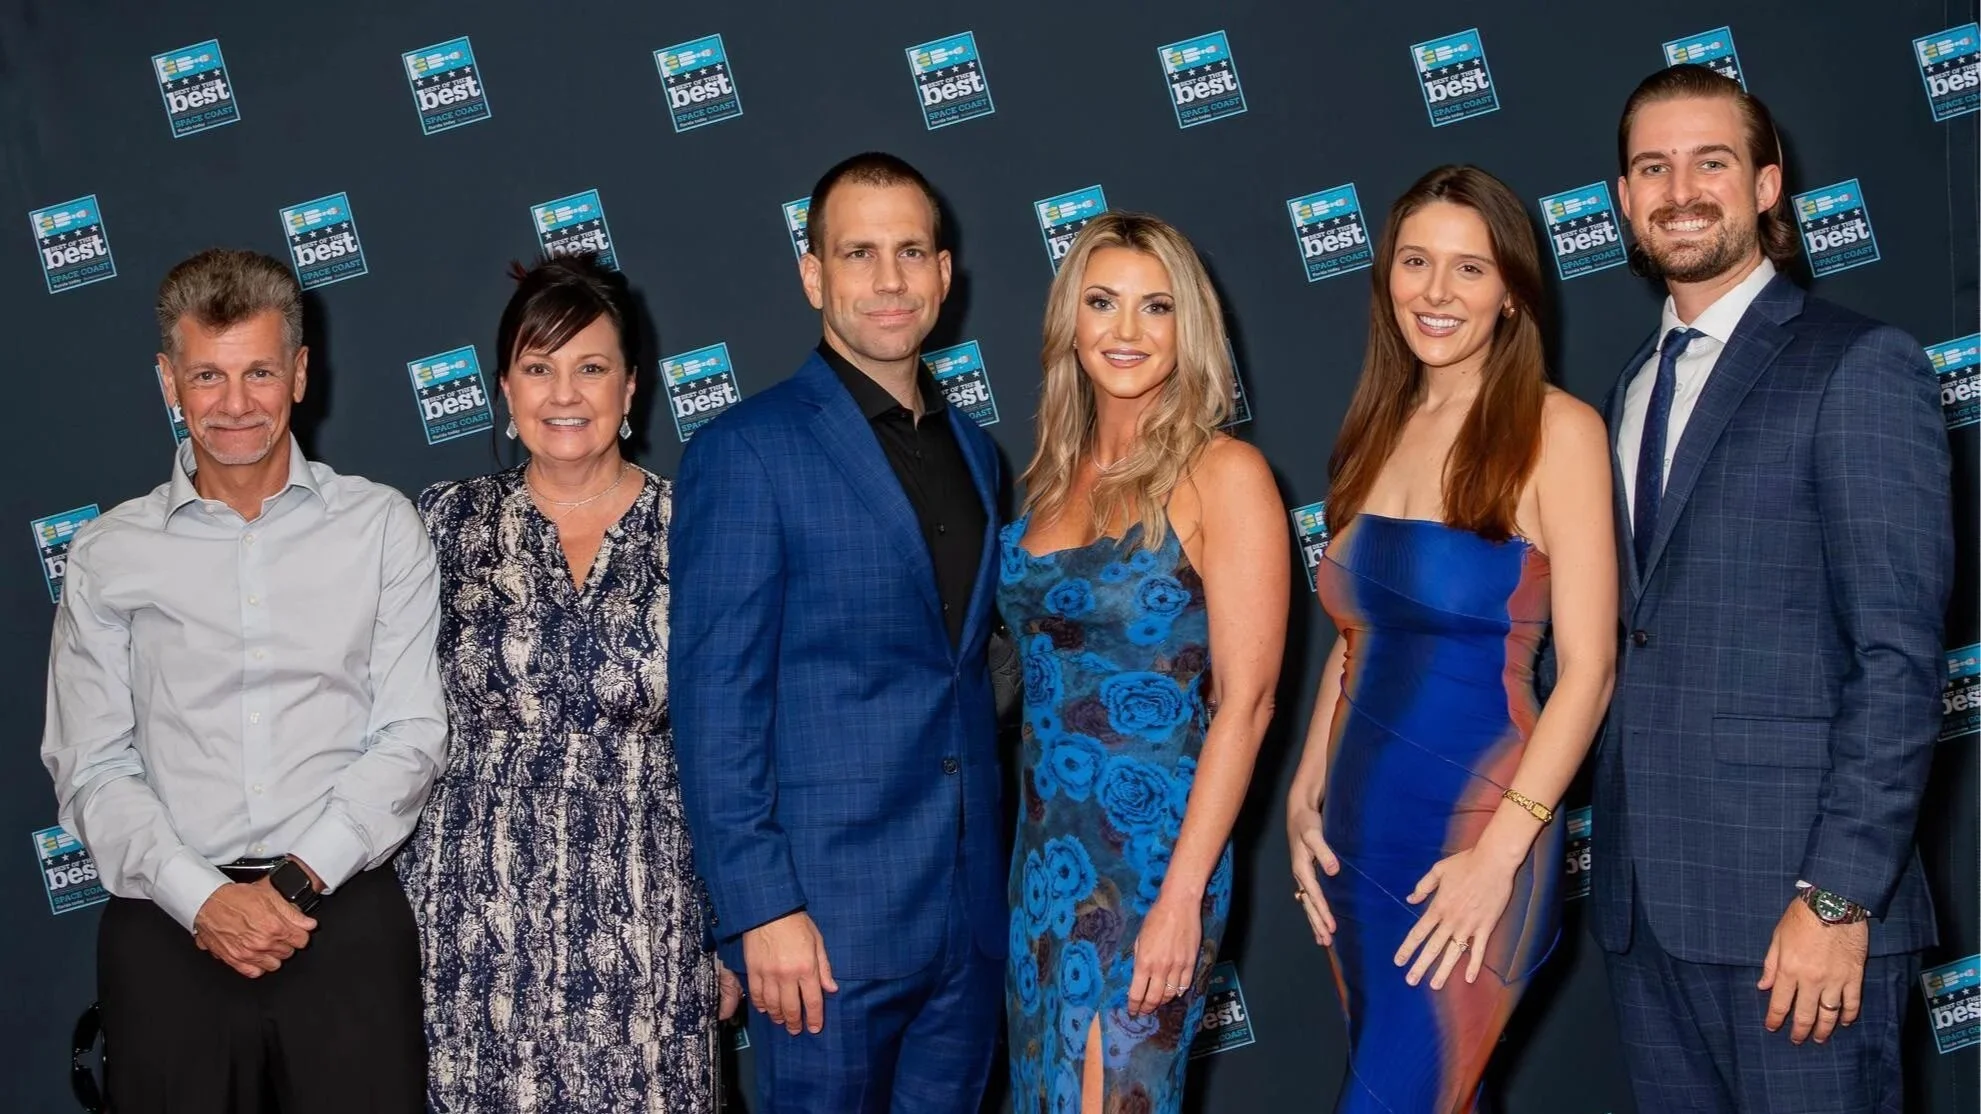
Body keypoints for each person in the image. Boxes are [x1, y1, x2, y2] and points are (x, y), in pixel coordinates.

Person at [1592, 65, 1951, 1113]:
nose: (1680, 190)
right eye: (1652, 168)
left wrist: (1838, 898)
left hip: (1798, 911)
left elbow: (1898, 659)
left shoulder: (1858, 366)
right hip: (1647, 913)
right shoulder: (1625, 387)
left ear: (1764, 186)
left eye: (1711, 161)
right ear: (1622, 200)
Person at [40, 248, 446, 1112]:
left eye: (258, 372)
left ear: (300, 372)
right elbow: (91, 765)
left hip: (342, 918)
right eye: (207, 376)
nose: (233, 405)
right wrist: (204, 899)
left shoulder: (380, 527)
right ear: (167, 380)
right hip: (167, 929)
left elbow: (410, 736)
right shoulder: (108, 553)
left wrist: (294, 882)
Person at [671, 152, 1006, 1112]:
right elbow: (713, 708)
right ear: (814, 275)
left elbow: (965, 673)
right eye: (858, 253)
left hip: (967, 919)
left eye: (910, 251)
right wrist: (761, 909)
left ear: (946, 273)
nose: (889, 279)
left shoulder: (980, 456)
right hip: (820, 931)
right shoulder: (745, 451)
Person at [1286, 166, 1618, 1113]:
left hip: (1470, 835)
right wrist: (1305, 796)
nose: (1435, 293)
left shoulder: (1557, 430)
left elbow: (1589, 671)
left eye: (1468, 269)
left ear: (1510, 288)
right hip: (1357, 835)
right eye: (1415, 263)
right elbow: (1355, 637)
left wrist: (1498, 858)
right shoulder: (1373, 429)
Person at [396, 255, 740, 1112]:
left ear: (631, 389)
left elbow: (744, 738)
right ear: (505, 391)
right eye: (538, 368)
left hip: (648, 919)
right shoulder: (441, 522)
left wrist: (735, 926)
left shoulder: (700, 525)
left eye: (591, 368)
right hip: (469, 929)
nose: (564, 393)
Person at [999, 212, 1288, 1113]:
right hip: (1042, 863)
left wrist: (1179, 899)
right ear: (1069, 323)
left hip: (1153, 861)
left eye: (1154, 307)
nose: (1125, 332)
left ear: (1187, 326)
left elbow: (1248, 703)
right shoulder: (1049, 481)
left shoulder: (1222, 472)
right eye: (1102, 303)